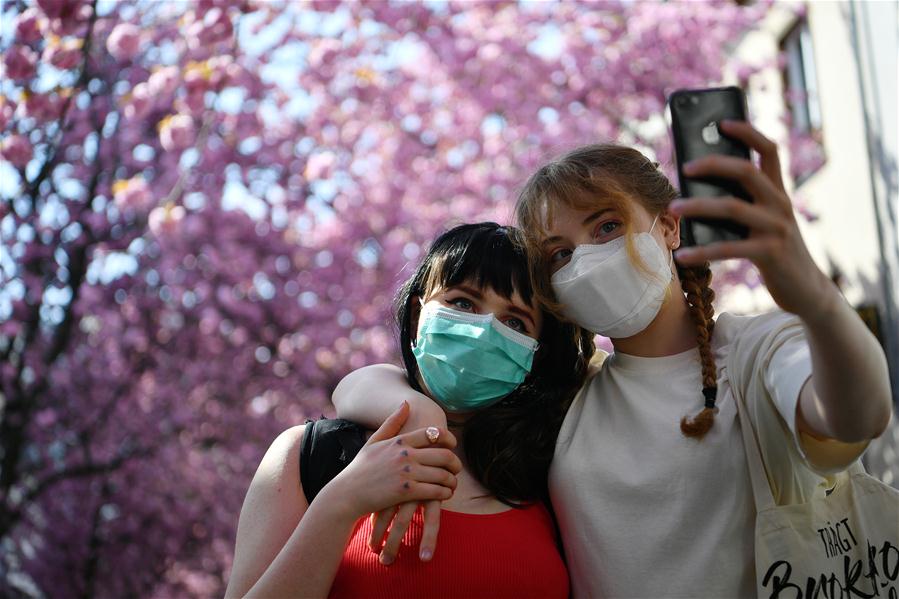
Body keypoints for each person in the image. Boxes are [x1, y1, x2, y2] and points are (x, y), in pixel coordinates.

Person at [332, 121, 893, 597]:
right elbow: (359, 385)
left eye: (607, 225)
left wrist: (815, 300)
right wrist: (421, 416)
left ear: (669, 225)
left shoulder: (755, 351)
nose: (587, 261)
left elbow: (854, 417)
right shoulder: (570, 397)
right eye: (559, 254)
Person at [225, 222, 592, 599]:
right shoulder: (311, 456)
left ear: (535, 352)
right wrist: (340, 502)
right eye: (462, 302)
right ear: (418, 316)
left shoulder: (551, 472)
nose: (483, 331)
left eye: (515, 321)